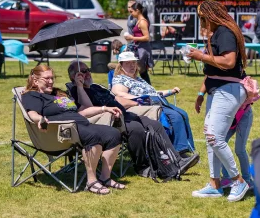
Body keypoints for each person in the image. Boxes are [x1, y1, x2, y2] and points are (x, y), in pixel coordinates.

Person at [66, 60, 199, 176]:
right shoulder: (75, 90)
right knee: (136, 128)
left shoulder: (96, 86)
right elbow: (86, 107)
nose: (88, 73)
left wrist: (136, 102)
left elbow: (116, 98)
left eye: (88, 69)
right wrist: (79, 86)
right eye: (83, 71)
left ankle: (176, 159)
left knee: (155, 124)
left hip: (124, 113)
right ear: (74, 76)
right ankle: (142, 166)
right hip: (109, 120)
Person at [21, 64, 125, 195]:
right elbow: (32, 114)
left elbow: (83, 110)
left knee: (113, 134)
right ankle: (92, 182)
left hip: (82, 125)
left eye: (52, 78)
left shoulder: (59, 93)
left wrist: (105, 108)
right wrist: (40, 120)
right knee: (93, 136)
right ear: (35, 80)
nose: (51, 81)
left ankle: (105, 177)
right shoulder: (33, 95)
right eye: (46, 79)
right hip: (63, 133)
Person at [187, 0, 249, 202]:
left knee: (215, 137)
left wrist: (200, 56)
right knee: (209, 137)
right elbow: (214, 71)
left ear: (211, 16)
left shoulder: (225, 32)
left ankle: (238, 180)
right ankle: (215, 184)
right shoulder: (218, 33)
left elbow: (229, 62)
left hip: (228, 91)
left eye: (203, 18)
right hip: (218, 90)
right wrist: (201, 93)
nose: (202, 22)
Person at [112, 52, 195, 156]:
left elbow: (153, 93)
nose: (132, 65)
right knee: (175, 117)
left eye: (133, 62)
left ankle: (184, 148)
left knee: (182, 114)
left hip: (157, 101)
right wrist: (140, 99)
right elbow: (118, 94)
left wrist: (170, 91)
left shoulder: (138, 79)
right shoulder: (120, 79)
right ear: (121, 65)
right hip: (145, 106)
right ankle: (179, 152)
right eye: (128, 63)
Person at [195, 77, 253, 188]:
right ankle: (226, 177)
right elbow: (208, 76)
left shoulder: (235, 86)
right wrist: (200, 95)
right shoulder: (216, 94)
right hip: (229, 119)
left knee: (240, 149)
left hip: (243, 117)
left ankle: (247, 179)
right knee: (219, 145)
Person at [124, 2, 153, 85]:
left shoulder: (142, 22)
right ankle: (148, 89)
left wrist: (132, 38)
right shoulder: (138, 21)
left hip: (142, 50)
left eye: (132, 11)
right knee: (141, 72)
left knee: (140, 71)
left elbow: (147, 37)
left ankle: (148, 90)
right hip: (138, 48)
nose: (131, 13)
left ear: (137, 11)